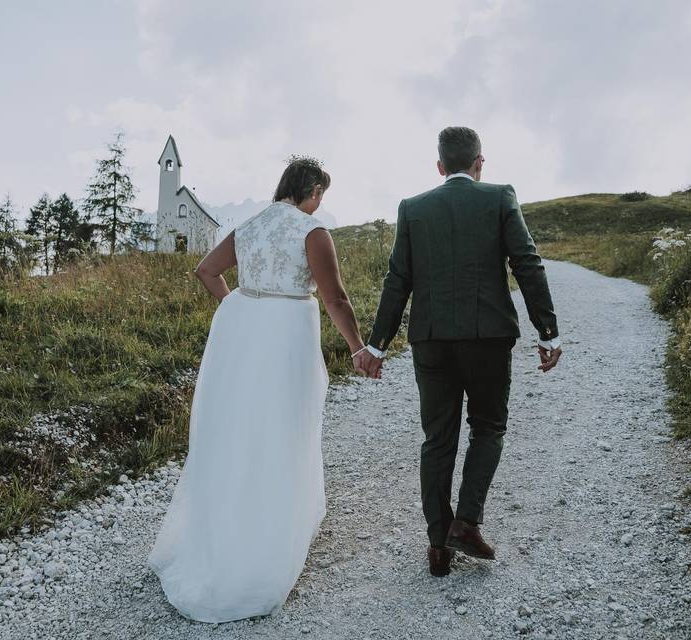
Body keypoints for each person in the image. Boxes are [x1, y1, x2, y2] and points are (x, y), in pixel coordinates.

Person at [148, 156, 371, 622]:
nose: (319, 204)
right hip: (289, 332)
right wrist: (357, 347)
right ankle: (270, 532)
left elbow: (206, 271)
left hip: (244, 336)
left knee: (238, 426)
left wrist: (239, 310)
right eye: (320, 195)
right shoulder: (313, 233)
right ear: (311, 190)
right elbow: (335, 298)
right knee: (286, 423)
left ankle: (226, 527)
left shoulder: (249, 226)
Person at [357, 126, 563, 577]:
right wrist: (546, 330)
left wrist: (376, 344)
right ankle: (466, 523)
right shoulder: (500, 197)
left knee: (437, 438)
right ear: (479, 162)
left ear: (439, 165)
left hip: (430, 340)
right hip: (488, 337)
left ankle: (438, 544)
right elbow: (526, 263)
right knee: (488, 427)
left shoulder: (412, 209)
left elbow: (398, 281)